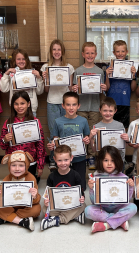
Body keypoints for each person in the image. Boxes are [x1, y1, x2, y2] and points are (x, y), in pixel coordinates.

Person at [71, 42, 109, 170]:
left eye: (92, 53)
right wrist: (74, 88)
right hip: (80, 108)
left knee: (92, 133)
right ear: (83, 54)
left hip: (94, 107)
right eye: (87, 53)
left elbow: (102, 90)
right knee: (81, 133)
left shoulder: (99, 71)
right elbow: (72, 89)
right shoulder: (78, 71)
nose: (90, 55)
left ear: (96, 54)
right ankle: (81, 156)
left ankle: (92, 156)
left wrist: (103, 88)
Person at [85, 146, 137, 233]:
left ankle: (106, 225)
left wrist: (131, 186)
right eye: (106, 160)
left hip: (119, 207)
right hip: (102, 208)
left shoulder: (123, 177)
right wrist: (91, 189)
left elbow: (127, 200)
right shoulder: (96, 177)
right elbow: (94, 202)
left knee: (133, 207)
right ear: (100, 161)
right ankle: (119, 221)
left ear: (117, 161)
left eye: (112, 160)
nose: (109, 163)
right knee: (88, 210)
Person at [41, 39, 75, 171]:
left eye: (59, 49)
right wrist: (46, 79)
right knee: (53, 132)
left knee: (67, 131)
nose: (56, 52)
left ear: (63, 52)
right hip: (52, 102)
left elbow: (70, 88)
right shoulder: (45, 67)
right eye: (54, 49)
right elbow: (46, 90)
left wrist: (76, 88)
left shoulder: (69, 67)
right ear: (51, 51)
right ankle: (53, 160)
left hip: (66, 104)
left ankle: (67, 160)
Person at [47, 92, 91, 192]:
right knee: (65, 186)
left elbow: (87, 137)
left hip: (79, 158)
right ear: (63, 106)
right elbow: (55, 139)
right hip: (63, 159)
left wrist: (87, 140)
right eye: (68, 104)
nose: (71, 107)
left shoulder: (83, 121)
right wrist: (52, 146)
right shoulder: (58, 121)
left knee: (80, 187)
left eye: (74, 104)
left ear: (78, 106)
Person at [0, 150, 41, 231]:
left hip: (25, 208)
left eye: (21, 165)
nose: (17, 169)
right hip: (10, 206)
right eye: (13, 165)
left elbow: (37, 200)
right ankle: (21, 221)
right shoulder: (7, 178)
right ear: (9, 166)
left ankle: (6, 218)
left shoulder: (31, 178)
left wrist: (34, 196)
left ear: (26, 166)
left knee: (37, 209)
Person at [0, 91, 46, 183]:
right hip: (14, 161)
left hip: (31, 161)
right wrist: (5, 140)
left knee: (30, 186)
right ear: (13, 105)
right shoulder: (8, 122)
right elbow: (2, 146)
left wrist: (40, 165)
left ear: (28, 104)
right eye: (16, 104)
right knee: (16, 187)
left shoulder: (35, 122)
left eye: (22, 103)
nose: (19, 107)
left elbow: (40, 146)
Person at [40, 145, 86, 231]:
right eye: (59, 160)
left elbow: (81, 192)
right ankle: (75, 217)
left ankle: (55, 220)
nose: (63, 163)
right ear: (54, 159)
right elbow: (48, 193)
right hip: (58, 205)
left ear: (71, 158)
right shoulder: (51, 176)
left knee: (83, 205)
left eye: (66, 160)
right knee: (44, 208)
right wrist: (47, 200)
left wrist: (82, 198)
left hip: (71, 205)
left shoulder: (76, 175)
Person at [0, 48, 44, 117]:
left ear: (27, 60)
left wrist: (38, 77)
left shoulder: (32, 73)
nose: (21, 61)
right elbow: (4, 89)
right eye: (18, 59)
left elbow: (39, 92)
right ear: (14, 60)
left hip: (31, 109)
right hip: (16, 110)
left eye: (23, 59)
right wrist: (6, 74)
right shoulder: (12, 74)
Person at [105, 40, 137, 129]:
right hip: (110, 103)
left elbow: (133, 88)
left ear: (126, 52)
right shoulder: (110, 68)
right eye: (118, 51)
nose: (120, 53)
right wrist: (107, 75)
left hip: (124, 103)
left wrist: (133, 75)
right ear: (114, 52)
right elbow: (106, 88)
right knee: (110, 127)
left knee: (123, 128)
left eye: (123, 51)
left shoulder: (131, 68)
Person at [90, 97, 130, 167]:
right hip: (103, 162)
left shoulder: (120, 125)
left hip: (118, 161)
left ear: (115, 111)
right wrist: (91, 138)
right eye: (105, 110)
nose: (108, 113)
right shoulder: (96, 127)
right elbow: (94, 150)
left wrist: (127, 140)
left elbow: (124, 146)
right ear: (100, 110)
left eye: (110, 111)